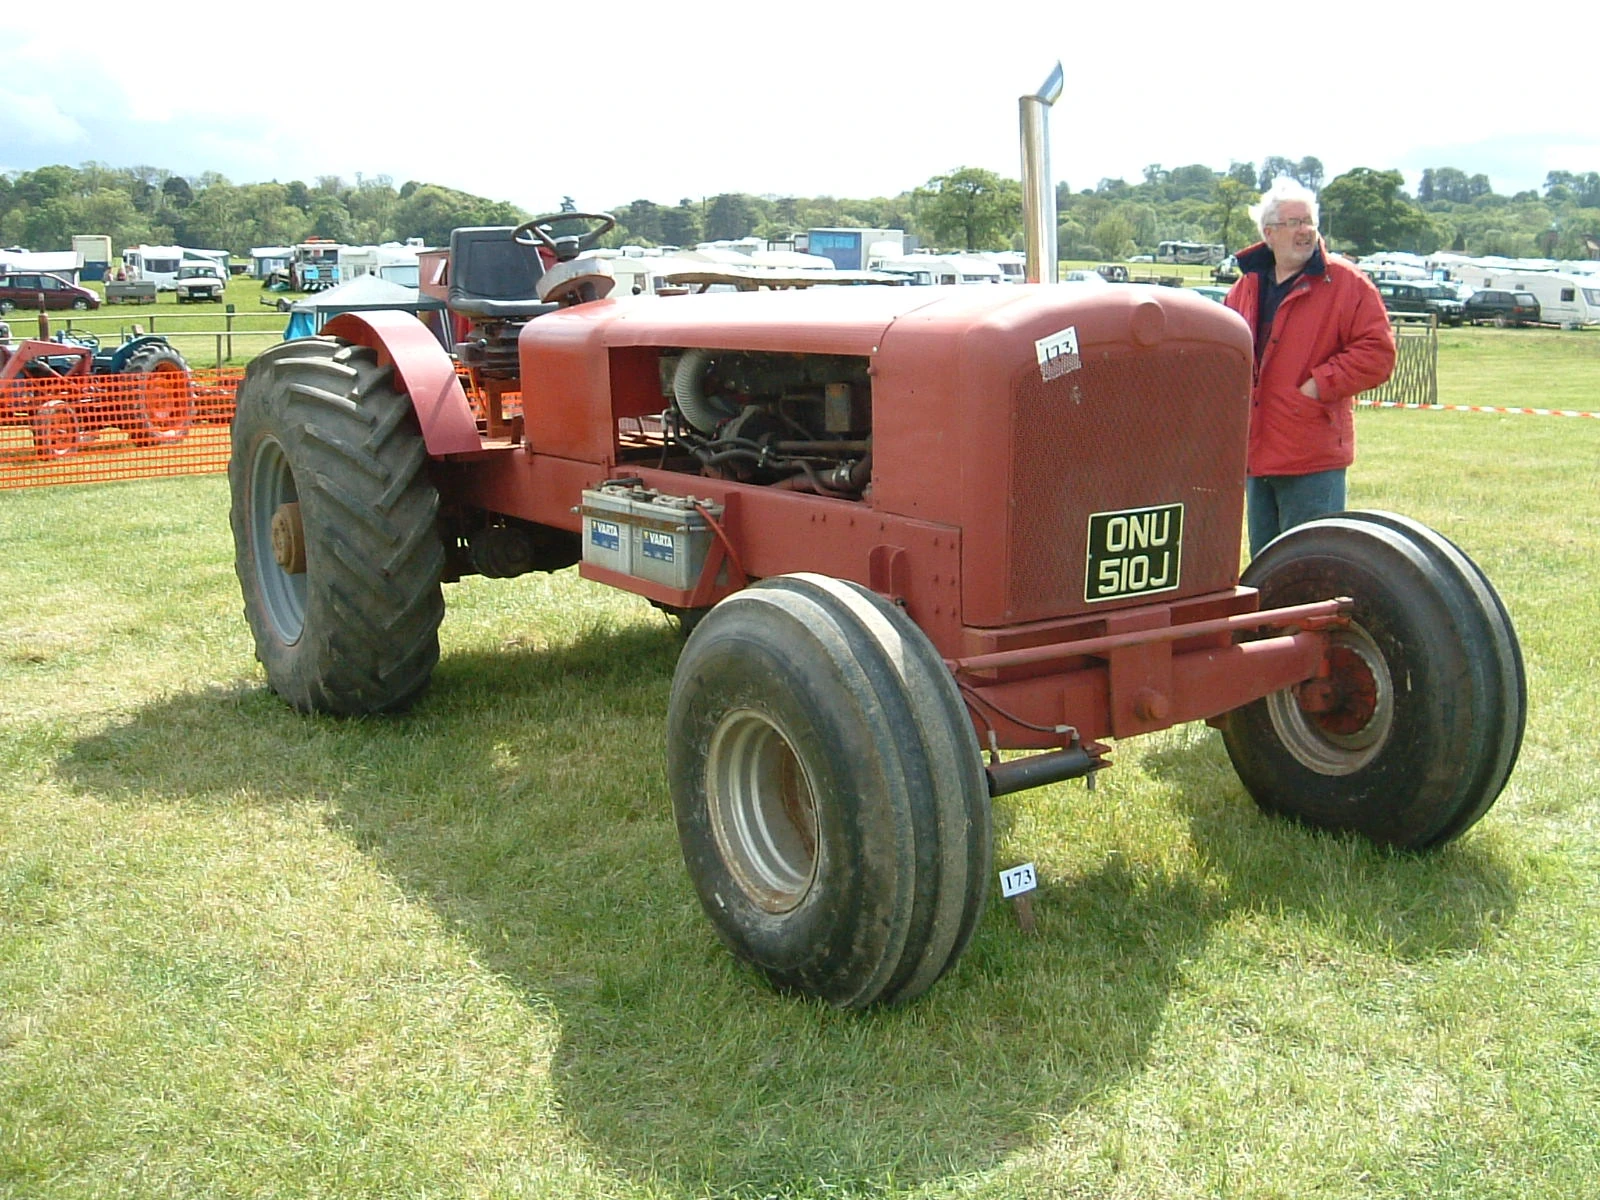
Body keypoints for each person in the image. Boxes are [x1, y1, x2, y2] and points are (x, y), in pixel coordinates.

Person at [1224, 177, 1395, 556]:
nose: (1304, 231)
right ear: (1269, 233)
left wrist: (1317, 385)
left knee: (1312, 566)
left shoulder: (1347, 283)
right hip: (1257, 454)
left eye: (1309, 222)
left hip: (1312, 455)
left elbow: (1378, 354)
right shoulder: (1246, 286)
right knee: (1267, 567)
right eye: (1293, 223)